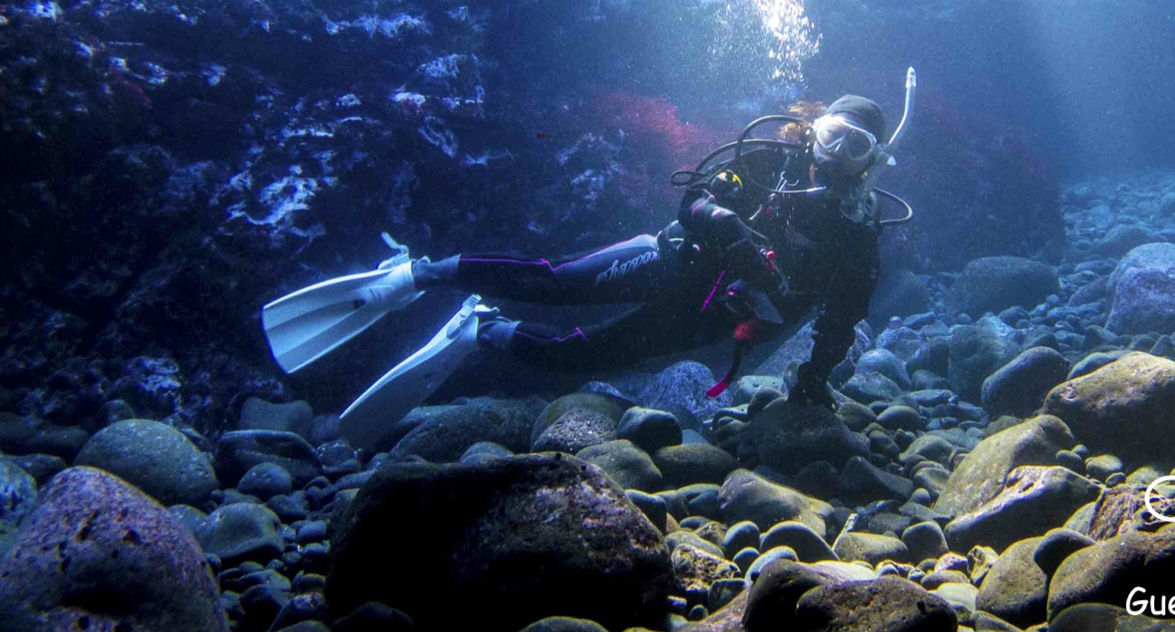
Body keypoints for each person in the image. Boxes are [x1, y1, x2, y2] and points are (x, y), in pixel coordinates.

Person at [262, 75, 915, 448]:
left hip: (702, 319)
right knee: (552, 284)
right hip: (670, 262)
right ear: (812, 128)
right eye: (831, 136)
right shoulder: (769, 159)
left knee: (576, 357)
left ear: (872, 160)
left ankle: (477, 328)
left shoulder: (858, 234)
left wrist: (810, 389)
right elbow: (696, 200)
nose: (834, 155)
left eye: (853, 146)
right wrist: (727, 228)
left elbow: (841, 318)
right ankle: (416, 275)